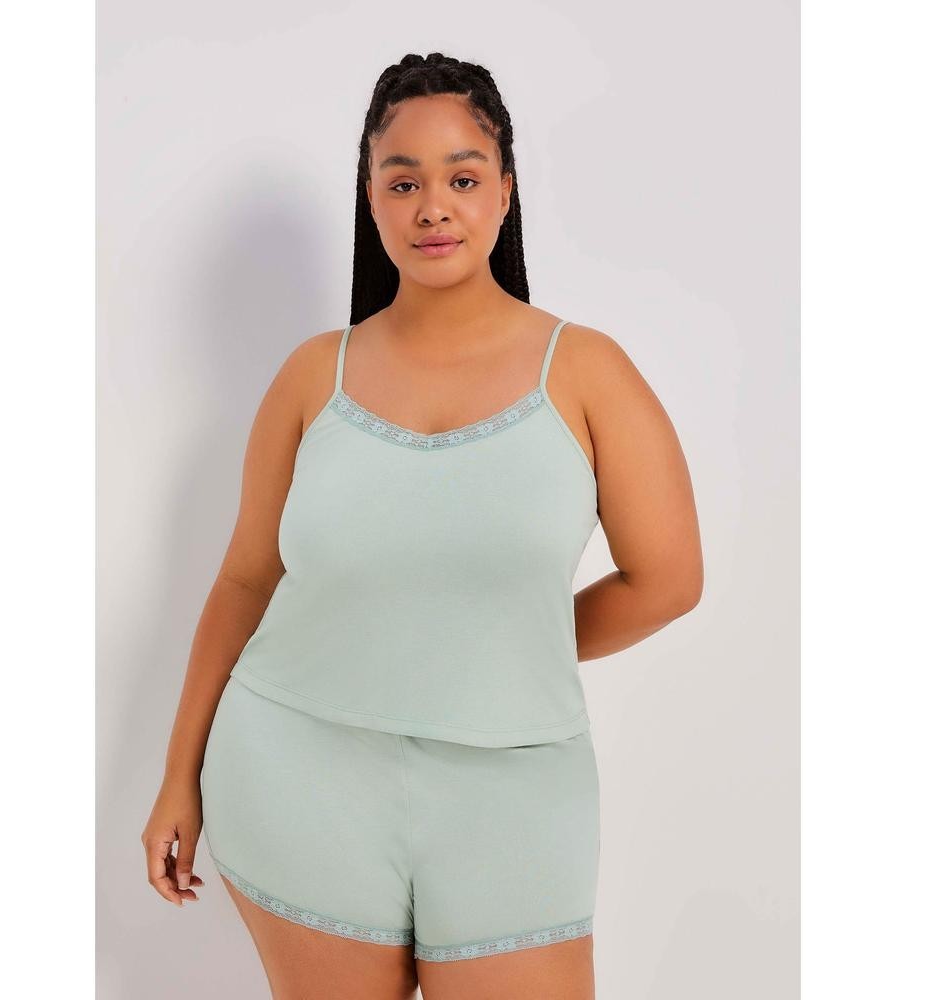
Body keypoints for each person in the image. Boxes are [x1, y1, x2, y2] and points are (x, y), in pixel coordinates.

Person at [141, 51, 703, 1000]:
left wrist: (500, 640)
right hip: (296, 769)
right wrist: (177, 777)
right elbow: (244, 579)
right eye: (403, 182)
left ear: (505, 190)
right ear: (371, 198)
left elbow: (669, 581)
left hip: (514, 794)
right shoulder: (312, 376)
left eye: (462, 178)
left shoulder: (586, 373)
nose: (433, 207)